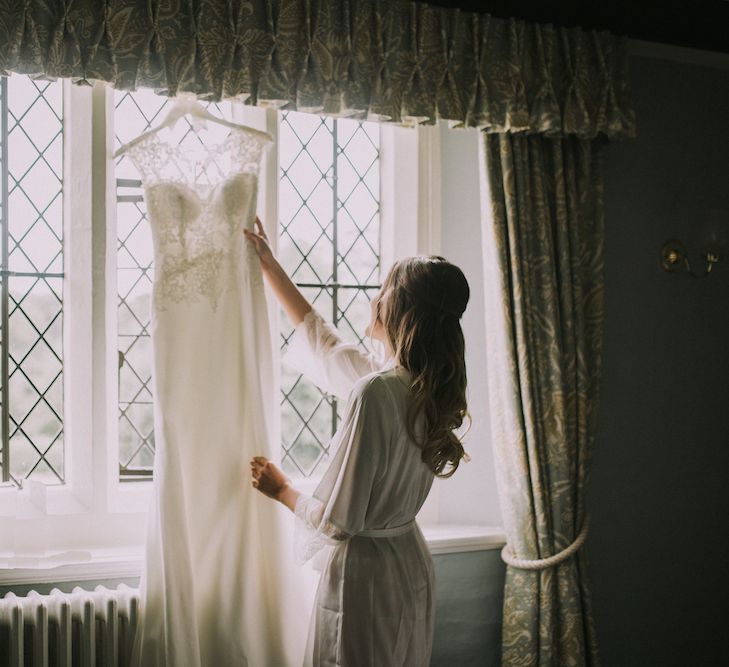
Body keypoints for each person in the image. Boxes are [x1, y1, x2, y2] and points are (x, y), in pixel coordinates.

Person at [244, 218, 471, 667]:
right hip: (408, 563)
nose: (375, 296)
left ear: (399, 308)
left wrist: (282, 489)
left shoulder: (378, 391)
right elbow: (323, 342)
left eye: (384, 288)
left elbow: (338, 522)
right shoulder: (425, 388)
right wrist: (270, 267)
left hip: (366, 577)